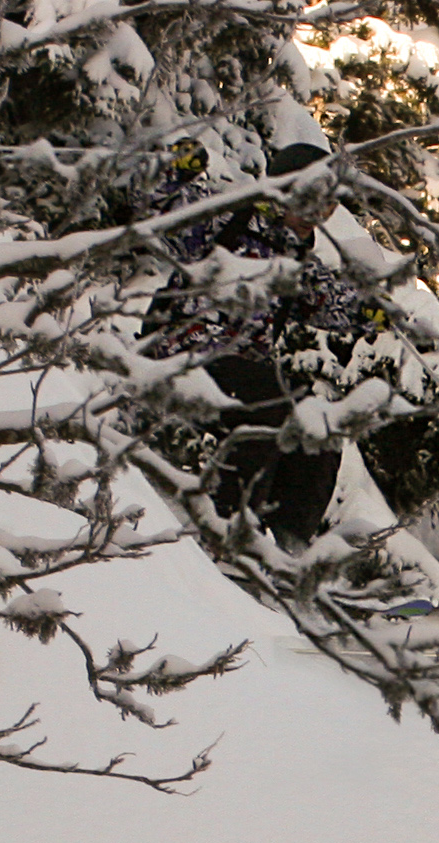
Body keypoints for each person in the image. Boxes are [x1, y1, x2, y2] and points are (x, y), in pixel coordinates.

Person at [130, 105, 397, 548]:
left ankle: (290, 539)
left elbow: (329, 301)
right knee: (270, 404)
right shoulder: (227, 220)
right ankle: (231, 529)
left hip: (241, 373)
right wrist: (174, 170)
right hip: (179, 356)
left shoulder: (296, 261)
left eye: (329, 207)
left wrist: (368, 311)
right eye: (314, 201)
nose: (321, 215)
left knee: (316, 423)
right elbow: (157, 207)